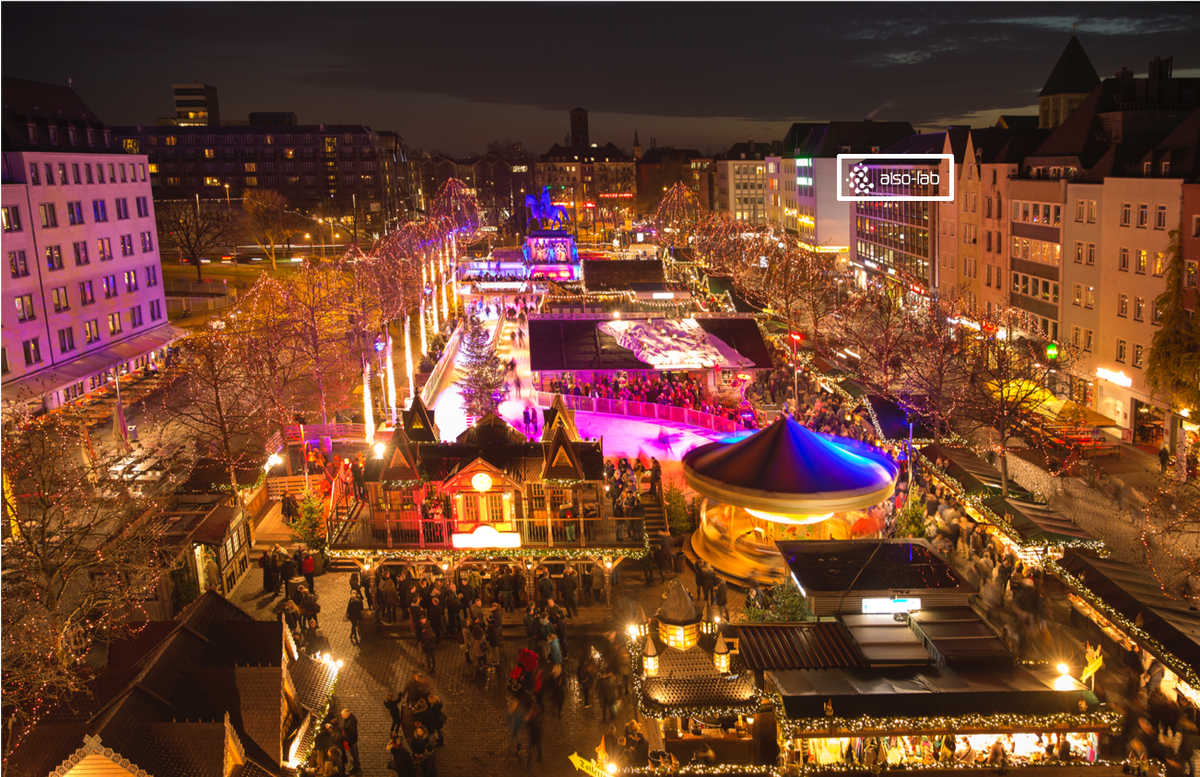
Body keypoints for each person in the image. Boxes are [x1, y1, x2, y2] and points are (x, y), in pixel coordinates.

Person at [340, 708, 360, 775]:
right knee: (355, 752)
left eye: (342, 714)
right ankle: (356, 764)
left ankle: (356, 767)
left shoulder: (349, 723)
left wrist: (346, 738)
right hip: (354, 740)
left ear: (346, 715)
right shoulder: (351, 719)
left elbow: (350, 734)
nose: (342, 716)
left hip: (352, 741)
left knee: (354, 754)